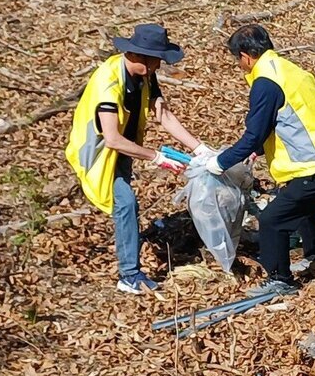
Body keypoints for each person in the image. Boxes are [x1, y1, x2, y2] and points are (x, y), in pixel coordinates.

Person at [195, 25, 315, 297]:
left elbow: (253, 135)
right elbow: (286, 120)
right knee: (302, 204)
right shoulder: (288, 69)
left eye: (238, 60)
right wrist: (261, 150)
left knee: (273, 219)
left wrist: (220, 162)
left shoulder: (265, 83)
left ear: (245, 56)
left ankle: (280, 279)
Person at [65, 24, 210, 294]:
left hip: (123, 150)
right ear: (140, 57)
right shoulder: (108, 82)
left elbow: (163, 115)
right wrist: (155, 157)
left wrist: (200, 149)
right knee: (126, 203)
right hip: (98, 155)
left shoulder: (145, 75)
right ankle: (129, 274)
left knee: (125, 206)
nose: (160, 65)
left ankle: (128, 245)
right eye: (157, 60)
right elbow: (111, 138)